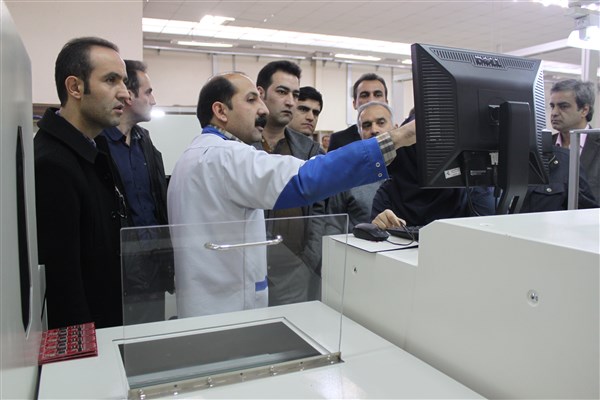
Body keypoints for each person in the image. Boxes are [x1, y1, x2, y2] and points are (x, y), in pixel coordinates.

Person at [167, 72, 416, 317]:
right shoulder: (226, 157)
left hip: (207, 303)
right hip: (228, 311)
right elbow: (306, 179)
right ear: (221, 111)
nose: (263, 109)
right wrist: (398, 138)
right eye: (251, 100)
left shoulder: (193, 155)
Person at [34, 37, 129, 329]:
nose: (125, 93)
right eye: (111, 80)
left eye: (124, 81)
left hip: (109, 327)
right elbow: (64, 287)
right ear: (75, 87)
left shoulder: (95, 148)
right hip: (87, 341)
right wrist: (84, 352)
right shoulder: (52, 164)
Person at [100, 60, 174, 324]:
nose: (153, 100)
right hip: (117, 271)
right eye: (148, 92)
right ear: (129, 96)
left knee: (150, 339)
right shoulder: (98, 145)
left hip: (153, 266)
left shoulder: (146, 142)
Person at [252, 61, 325, 306]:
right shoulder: (240, 146)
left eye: (295, 94)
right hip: (248, 268)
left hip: (295, 271)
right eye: (282, 92)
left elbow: (320, 211)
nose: (291, 102)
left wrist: (308, 261)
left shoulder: (309, 150)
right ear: (261, 93)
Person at [370, 111, 495, 229]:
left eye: (439, 143)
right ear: (406, 149)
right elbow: (375, 238)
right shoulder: (388, 193)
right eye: (423, 143)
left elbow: (489, 236)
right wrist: (380, 226)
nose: (433, 154)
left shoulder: (471, 188)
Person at [322, 101, 397, 233]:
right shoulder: (346, 178)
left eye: (381, 122)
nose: (374, 130)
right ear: (359, 133)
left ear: (395, 128)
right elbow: (333, 226)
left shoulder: (415, 171)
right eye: (366, 125)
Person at [549, 79, 600, 203]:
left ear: (584, 110)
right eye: (552, 106)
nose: (554, 113)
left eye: (563, 106)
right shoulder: (543, 146)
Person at [328, 73, 388, 151]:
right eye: (364, 95)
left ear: (386, 102)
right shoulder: (339, 140)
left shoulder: (400, 137)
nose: (371, 100)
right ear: (354, 104)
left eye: (377, 95)